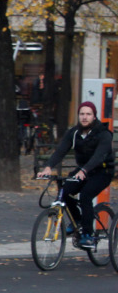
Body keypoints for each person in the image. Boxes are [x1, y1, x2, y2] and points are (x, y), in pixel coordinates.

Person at [38, 100, 114, 250]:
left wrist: (84, 171)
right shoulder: (74, 133)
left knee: (85, 195)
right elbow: (60, 151)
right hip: (82, 171)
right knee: (64, 191)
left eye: (88, 114)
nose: (84, 117)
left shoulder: (104, 134)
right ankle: (78, 221)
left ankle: (88, 235)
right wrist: (48, 167)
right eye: (82, 114)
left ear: (94, 116)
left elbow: (98, 156)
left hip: (102, 172)